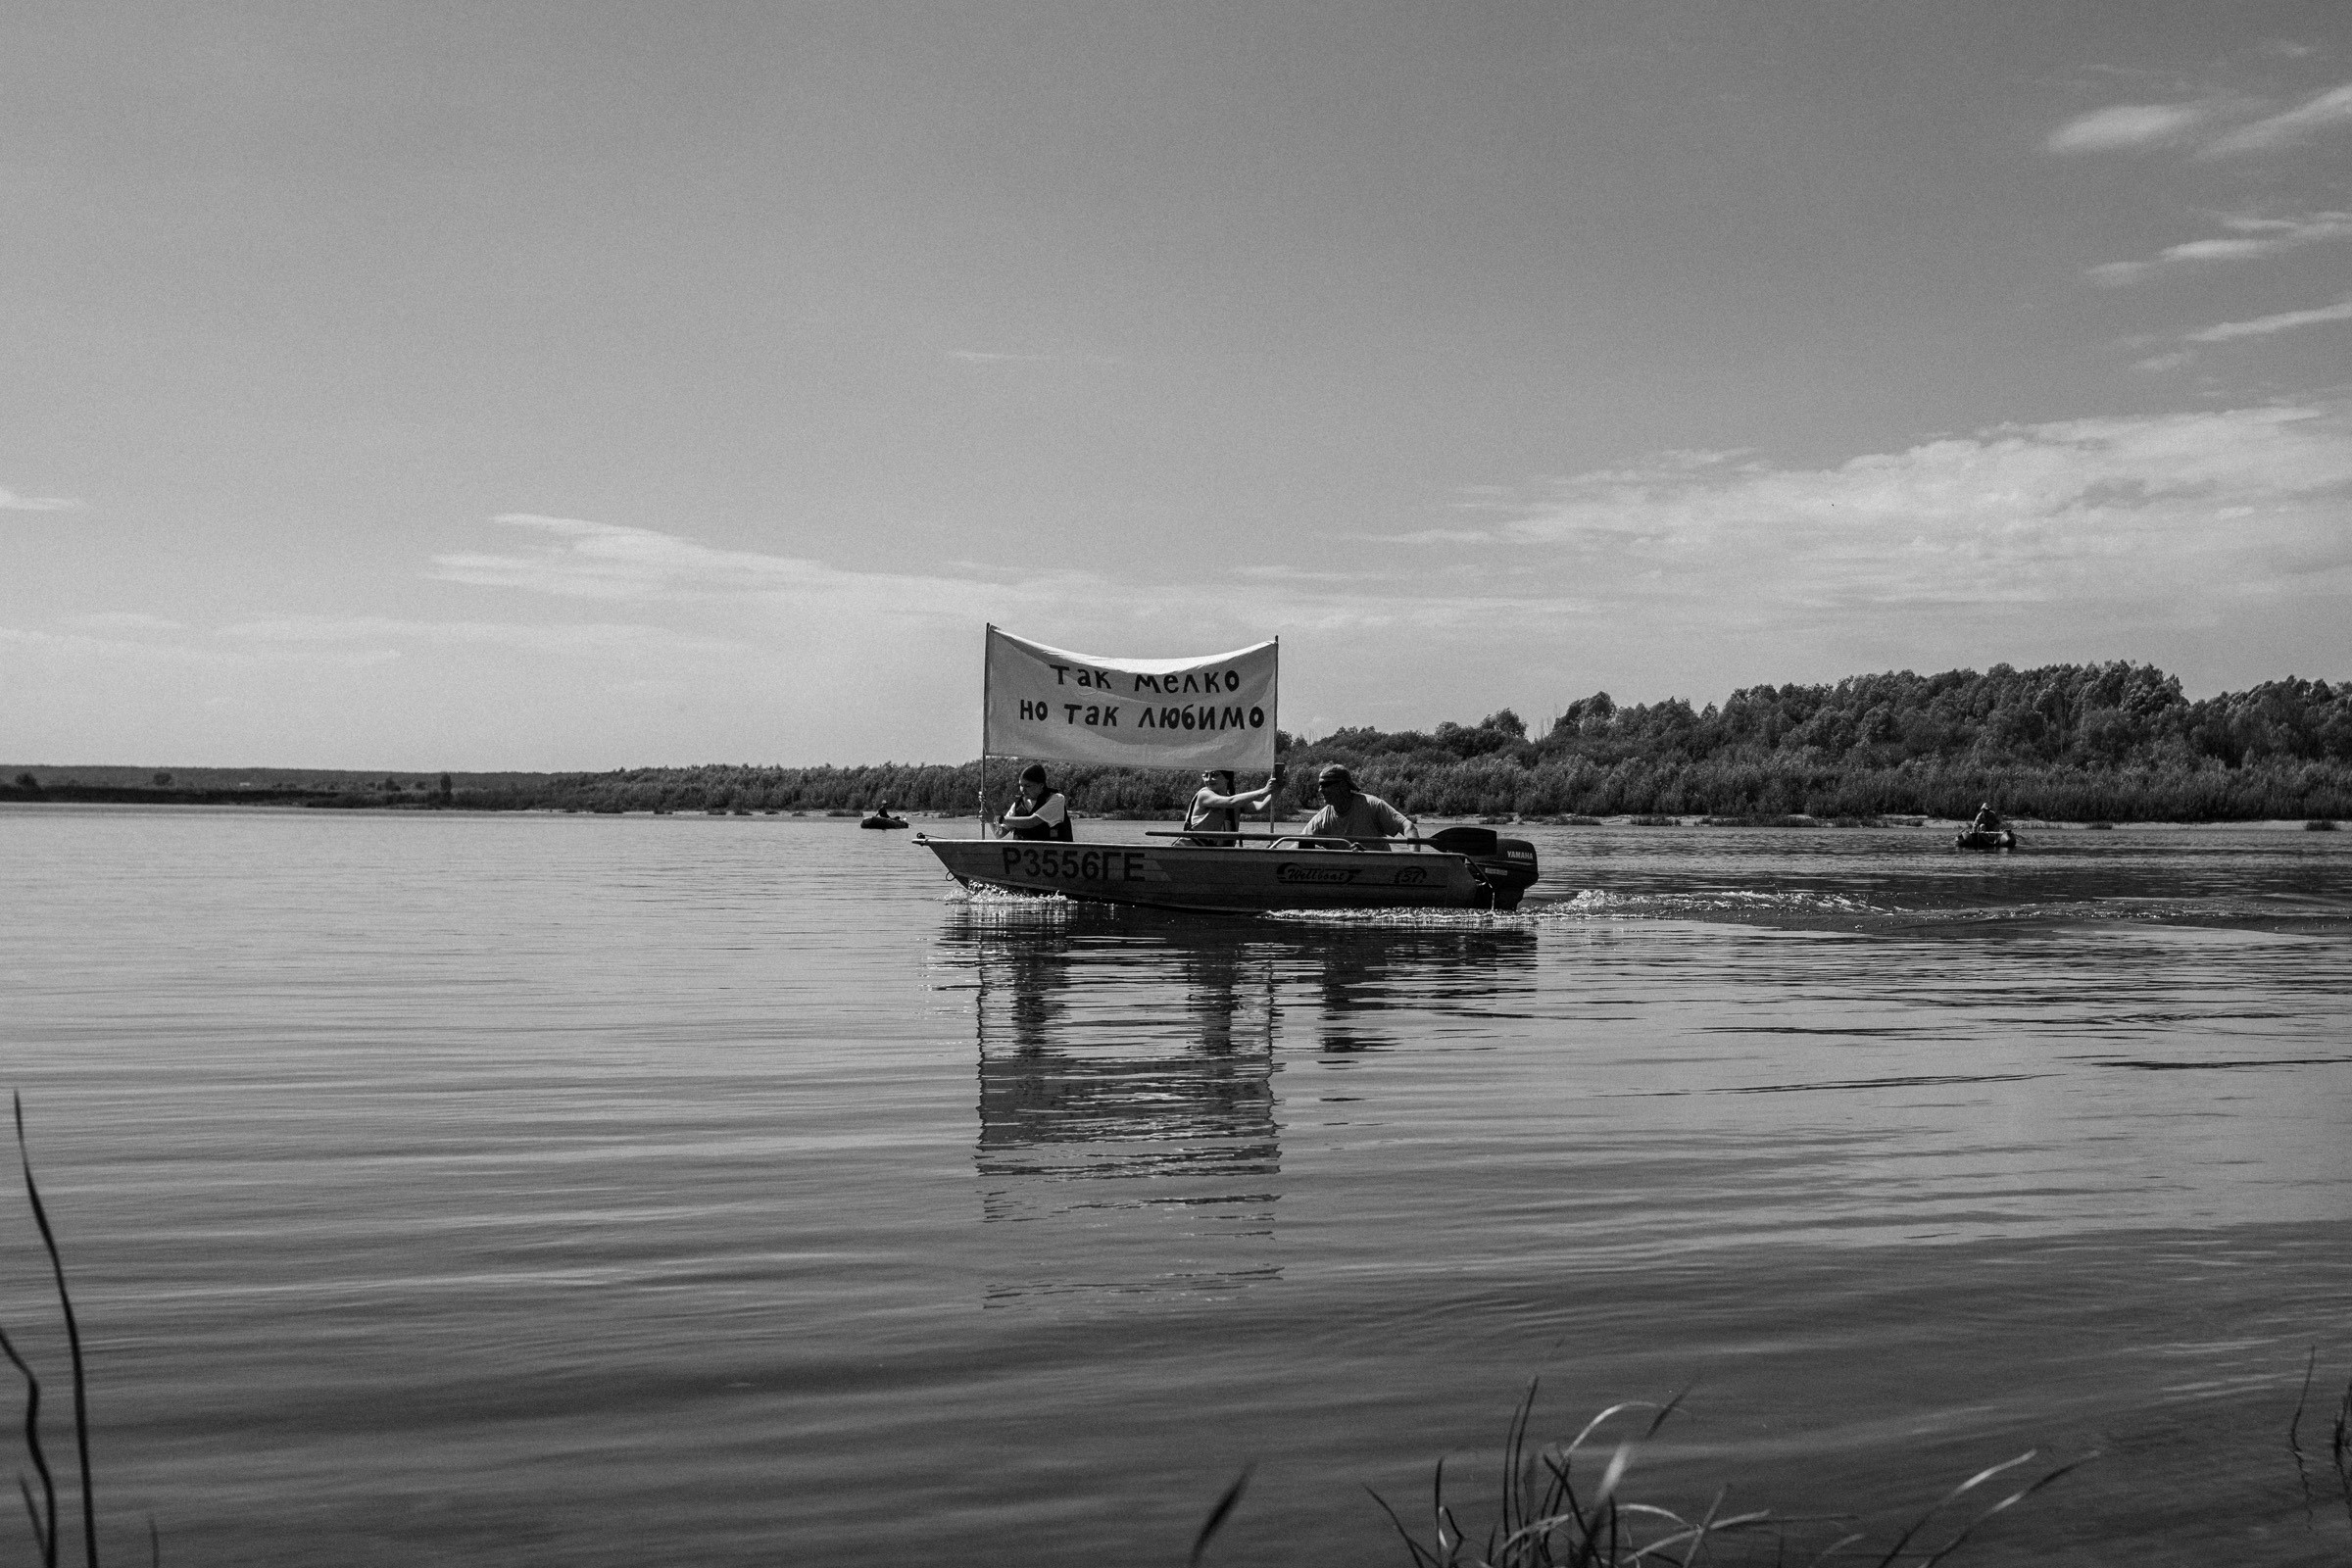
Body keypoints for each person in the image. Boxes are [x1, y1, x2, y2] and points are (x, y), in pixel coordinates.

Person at [1299, 763, 1411, 850]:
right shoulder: (1322, 818)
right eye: (1320, 785)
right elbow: (1298, 844)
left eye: (1325, 785)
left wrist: (1416, 859)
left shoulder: (1372, 805)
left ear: (1342, 785)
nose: (1320, 790)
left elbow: (1408, 827)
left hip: (1380, 870)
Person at [1180, 764, 1284, 845]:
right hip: (1192, 851)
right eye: (1205, 775)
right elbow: (1231, 802)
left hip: (1217, 854)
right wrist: (1264, 791)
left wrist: (1278, 788)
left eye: (1214, 775)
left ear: (1227, 778)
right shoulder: (1204, 795)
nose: (1208, 779)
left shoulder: (1235, 800)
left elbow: (1262, 807)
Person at [998, 763, 1073, 842]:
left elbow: (1031, 822)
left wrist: (1001, 819)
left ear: (1041, 785)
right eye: (1021, 785)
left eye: (1027, 786)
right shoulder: (1018, 805)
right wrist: (989, 811)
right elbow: (999, 834)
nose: (1023, 790)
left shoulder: (1057, 799)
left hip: (1056, 852)